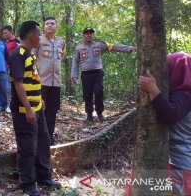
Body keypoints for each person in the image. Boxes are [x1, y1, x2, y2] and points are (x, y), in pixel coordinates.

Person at [9, 21, 61, 196]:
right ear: (31, 36)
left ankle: (43, 176)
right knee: (27, 147)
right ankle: (28, 182)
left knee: (42, 142)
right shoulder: (18, 54)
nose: (40, 37)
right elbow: (18, 84)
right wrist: (29, 109)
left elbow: (33, 79)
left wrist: (39, 101)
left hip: (37, 108)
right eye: (38, 34)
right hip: (25, 112)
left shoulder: (30, 54)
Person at [138, 52, 191, 196]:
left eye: (169, 70)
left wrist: (153, 89)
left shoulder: (184, 96)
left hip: (182, 164)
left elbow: (170, 114)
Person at [71, 27, 136, 124]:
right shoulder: (79, 48)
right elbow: (75, 62)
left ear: (93, 35)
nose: (89, 35)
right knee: (87, 95)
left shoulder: (99, 45)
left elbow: (114, 46)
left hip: (98, 73)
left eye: (91, 33)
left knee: (99, 93)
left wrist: (130, 48)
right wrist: (74, 75)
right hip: (86, 74)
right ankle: (89, 115)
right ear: (83, 35)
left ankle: (100, 113)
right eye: (86, 33)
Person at [33, 16, 65, 145]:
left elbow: (60, 58)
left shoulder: (60, 42)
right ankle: (39, 136)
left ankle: (49, 136)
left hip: (56, 82)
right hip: (42, 82)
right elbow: (33, 59)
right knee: (41, 110)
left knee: (53, 110)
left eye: (52, 23)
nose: (50, 25)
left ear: (56, 27)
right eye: (47, 24)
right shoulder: (38, 40)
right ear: (44, 27)